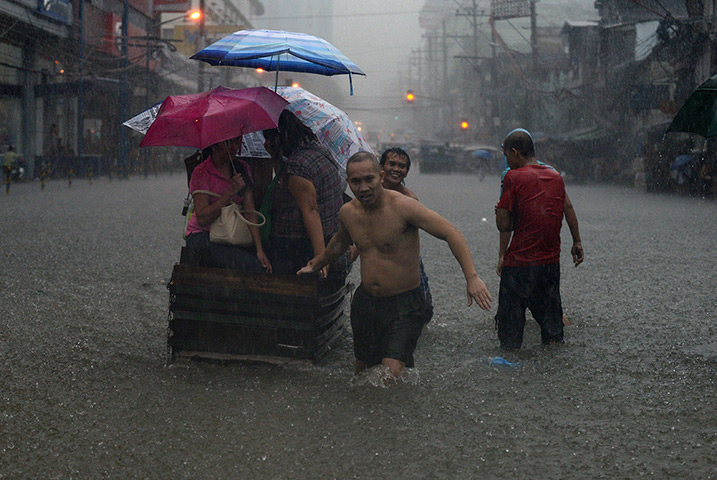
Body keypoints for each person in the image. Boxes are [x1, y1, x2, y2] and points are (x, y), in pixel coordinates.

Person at [298, 152, 492, 378]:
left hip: (405, 302)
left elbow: (451, 233)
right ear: (348, 182)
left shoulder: (404, 206)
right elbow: (340, 242)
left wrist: (472, 278)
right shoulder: (348, 212)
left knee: (391, 373)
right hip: (366, 302)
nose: (363, 188)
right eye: (356, 182)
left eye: (369, 179)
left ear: (380, 176)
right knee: (363, 371)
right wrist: (318, 263)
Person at [494, 130, 583, 350]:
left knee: (510, 337)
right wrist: (577, 242)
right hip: (549, 265)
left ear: (515, 152)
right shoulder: (555, 176)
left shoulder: (512, 177)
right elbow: (567, 207)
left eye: (507, 155)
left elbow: (503, 225)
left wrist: (502, 248)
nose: (507, 160)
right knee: (553, 333)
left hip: (519, 266)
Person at [268, 111, 344, 276]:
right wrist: (275, 157)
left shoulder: (298, 166)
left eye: (269, 138)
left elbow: (310, 211)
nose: (266, 142)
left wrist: (320, 258)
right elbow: (286, 184)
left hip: (296, 245)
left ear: (281, 137)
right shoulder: (318, 150)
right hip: (328, 233)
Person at [184, 136, 271, 272]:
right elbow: (202, 218)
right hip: (203, 236)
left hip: (231, 233)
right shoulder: (202, 172)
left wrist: (259, 250)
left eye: (237, 142)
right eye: (228, 143)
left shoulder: (242, 169)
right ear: (214, 145)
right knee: (250, 266)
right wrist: (230, 192)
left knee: (262, 263)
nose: (233, 147)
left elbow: (250, 212)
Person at [379, 147, 434, 322]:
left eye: (401, 166)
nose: (396, 169)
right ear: (382, 167)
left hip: (406, 259)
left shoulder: (410, 200)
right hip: (377, 256)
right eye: (392, 164)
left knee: (423, 308)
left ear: (407, 172)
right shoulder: (369, 193)